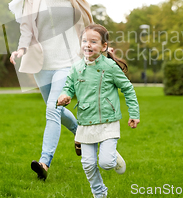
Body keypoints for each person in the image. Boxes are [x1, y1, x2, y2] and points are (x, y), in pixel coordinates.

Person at [9, 0, 94, 180]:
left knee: (52, 109)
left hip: (69, 61)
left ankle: (44, 162)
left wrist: (96, 46)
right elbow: (26, 27)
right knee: (55, 107)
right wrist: (21, 49)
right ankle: (80, 132)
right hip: (42, 63)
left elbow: (87, 21)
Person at [57, 24, 140, 198]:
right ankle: (99, 192)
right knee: (87, 164)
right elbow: (68, 87)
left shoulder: (109, 66)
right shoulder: (76, 68)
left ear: (103, 47)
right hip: (86, 122)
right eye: (85, 40)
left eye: (93, 41)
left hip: (108, 122)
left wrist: (134, 113)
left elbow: (128, 89)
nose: (88, 44)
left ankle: (112, 155)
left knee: (106, 163)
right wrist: (64, 96)